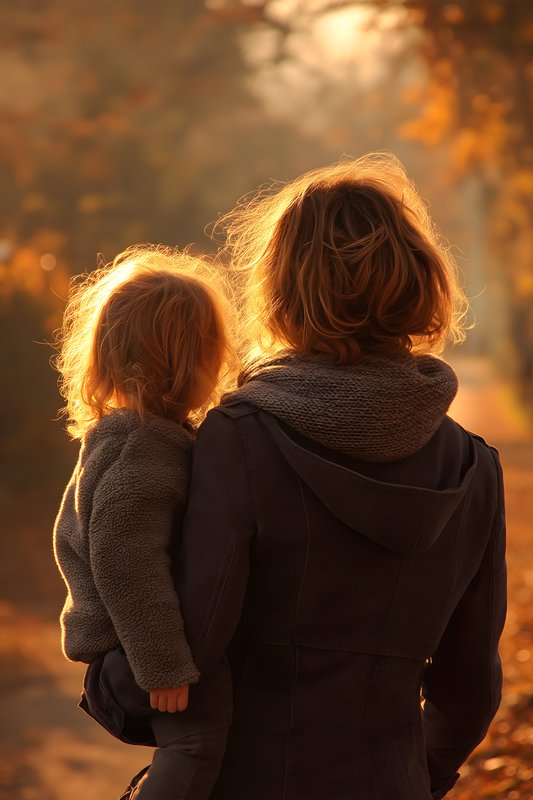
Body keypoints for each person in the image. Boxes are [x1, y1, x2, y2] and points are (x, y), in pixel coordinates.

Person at [174, 154, 507, 800]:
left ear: (282, 290)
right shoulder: (473, 467)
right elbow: (468, 692)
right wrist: (416, 774)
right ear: (419, 280)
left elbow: (190, 652)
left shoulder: (238, 439)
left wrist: (105, 683)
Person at [53, 246, 235, 800]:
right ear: (185, 362)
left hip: (127, 644)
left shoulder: (134, 432)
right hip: (132, 650)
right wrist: (163, 666)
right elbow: (124, 556)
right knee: (196, 743)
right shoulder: (147, 445)